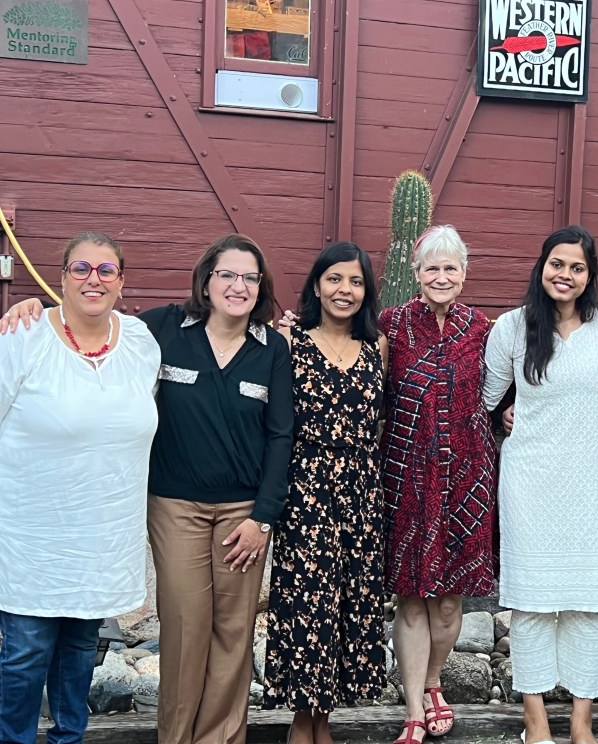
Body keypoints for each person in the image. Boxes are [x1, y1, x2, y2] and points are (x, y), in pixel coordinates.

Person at [0, 233, 293, 744]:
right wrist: (35, 305)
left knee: (234, 632)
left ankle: (221, 739)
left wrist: (264, 516)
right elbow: (84, 316)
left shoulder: (269, 348)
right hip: (172, 505)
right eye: (226, 274)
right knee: (182, 627)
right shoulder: (160, 330)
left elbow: (281, 434)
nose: (237, 285)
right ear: (206, 280)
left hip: (242, 512)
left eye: (249, 277)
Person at [0, 232, 160, 744]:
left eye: (106, 270)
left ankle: (70, 738)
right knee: (24, 653)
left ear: (120, 282)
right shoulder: (22, 336)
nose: (94, 279)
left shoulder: (139, 342)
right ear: (62, 277)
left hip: (102, 533)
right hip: (30, 535)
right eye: (82, 269)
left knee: (78, 651)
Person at [483, 225, 598, 744]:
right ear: (542, 266)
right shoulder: (514, 328)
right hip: (531, 482)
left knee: (586, 604)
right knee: (534, 603)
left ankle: (582, 723)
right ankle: (535, 720)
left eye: (577, 267)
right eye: (557, 264)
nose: (566, 275)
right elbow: (486, 397)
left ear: (589, 276)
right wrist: (503, 417)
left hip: (591, 481)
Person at [262, 242, 389, 744]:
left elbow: (380, 425)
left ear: (366, 291)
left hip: (360, 493)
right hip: (305, 491)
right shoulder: (290, 342)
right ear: (317, 285)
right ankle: (302, 722)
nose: (345, 290)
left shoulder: (377, 347)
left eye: (355, 282)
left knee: (349, 605)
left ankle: (326, 719)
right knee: (305, 603)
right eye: (335, 279)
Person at [380, 225, 496, 744]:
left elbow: (508, 382)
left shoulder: (482, 327)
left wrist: (513, 408)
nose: (441, 276)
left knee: (449, 603)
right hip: (406, 475)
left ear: (465, 275)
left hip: (467, 478)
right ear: (416, 273)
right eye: (432, 267)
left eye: (451, 268)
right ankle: (412, 708)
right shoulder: (392, 324)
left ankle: (432, 681)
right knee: (411, 596)